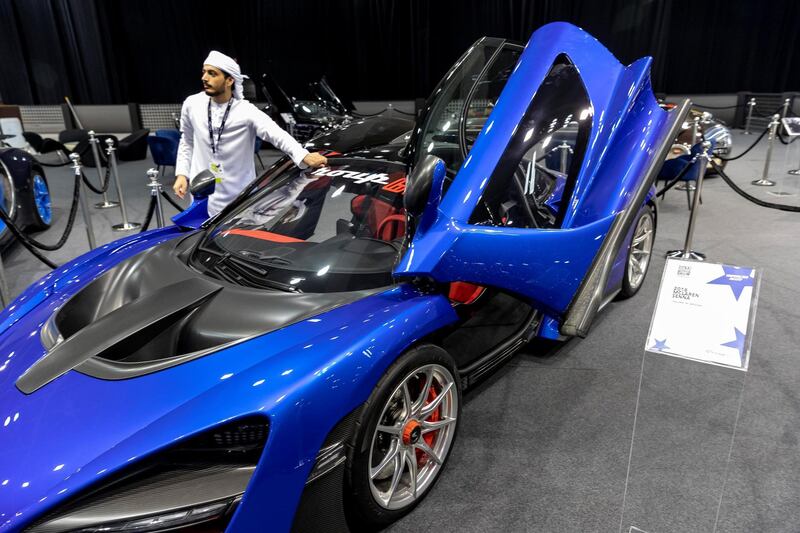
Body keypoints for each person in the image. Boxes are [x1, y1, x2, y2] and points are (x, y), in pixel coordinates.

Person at [173, 50, 327, 216]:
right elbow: (187, 141)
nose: (204, 78)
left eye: (212, 74)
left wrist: (303, 155)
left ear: (229, 80)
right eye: (204, 72)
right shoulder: (191, 104)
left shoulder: (246, 111)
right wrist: (182, 174)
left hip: (238, 194)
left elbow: (276, 134)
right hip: (201, 190)